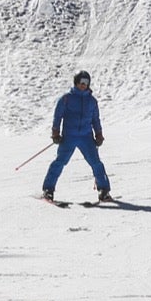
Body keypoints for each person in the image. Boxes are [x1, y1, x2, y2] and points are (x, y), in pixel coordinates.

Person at [42, 70, 111, 203]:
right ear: (76, 82)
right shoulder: (66, 99)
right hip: (69, 136)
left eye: (86, 82)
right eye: (81, 82)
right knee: (60, 162)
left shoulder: (92, 101)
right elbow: (58, 116)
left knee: (96, 163)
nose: (83, 85)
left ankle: (104, 190)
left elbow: (95, 119)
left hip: (86, 136)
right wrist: (55, 132)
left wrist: (99, 134)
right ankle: (48, 189)